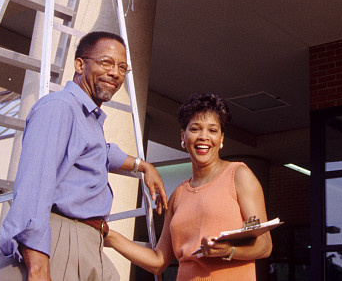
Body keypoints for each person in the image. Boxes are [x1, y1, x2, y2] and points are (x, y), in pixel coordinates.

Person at [0, 31, 168, 281]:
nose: (116, 73)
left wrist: (143, 166)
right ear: (79, 64)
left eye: (122, 67)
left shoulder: (87, 118)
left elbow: (100, 153)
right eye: (106, 62)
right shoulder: (59, 107)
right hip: (55, 242)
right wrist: (39, 268)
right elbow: (34, 187)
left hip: (87, 241)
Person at [105, 92, 272, 280]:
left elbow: (265, 245)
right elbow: (158, 262)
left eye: (212, 130)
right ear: (183, 136)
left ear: (222, 138)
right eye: (195, 129)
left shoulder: (239, 175)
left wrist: (228, 250)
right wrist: (109, 236)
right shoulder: (177, 195)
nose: (203, 137)